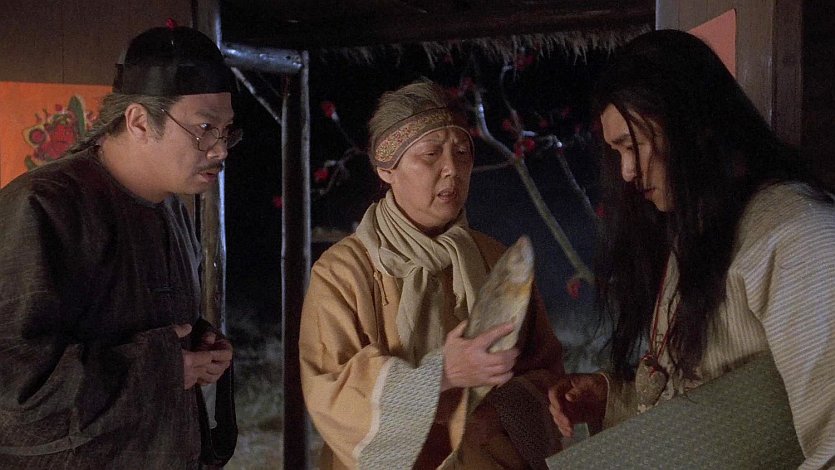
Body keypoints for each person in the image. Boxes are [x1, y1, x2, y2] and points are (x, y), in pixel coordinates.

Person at [548, 29, 835, 469]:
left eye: (633, 145)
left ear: (692, 123)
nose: (626, 171)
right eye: (617, 151)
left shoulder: (797, 237)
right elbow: (715, 407)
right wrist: (612, 398)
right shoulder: (698, 230)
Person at [0, 25, 239, 468]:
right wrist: (164, 368)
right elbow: (15, 386)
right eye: (205, 128)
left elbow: (142, 328)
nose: (220, 149)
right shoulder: (43, 206)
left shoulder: (171, 209)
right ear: (139, 121)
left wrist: (199, 348)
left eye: (226, 131)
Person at [300, 79, 565, 469]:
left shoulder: (495, 259)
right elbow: (331, 392)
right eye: (430, 154)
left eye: (462, 152)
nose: (451, 170)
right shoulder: (342, 273)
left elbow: (545, 370)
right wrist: (439, 374)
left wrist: (498, 413)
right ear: (386, 169)